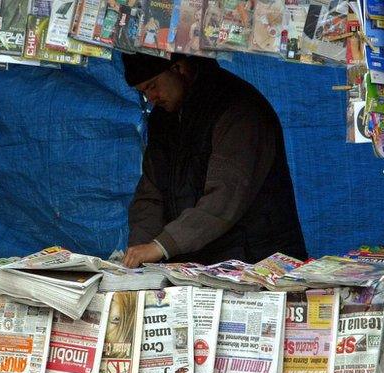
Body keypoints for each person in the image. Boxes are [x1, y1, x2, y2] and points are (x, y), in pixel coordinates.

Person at [119, 53, 307, 267]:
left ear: (179, 69)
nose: (151, 98)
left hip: (256, 259)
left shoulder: (237, 107)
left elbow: (225, 194)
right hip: (200, 263)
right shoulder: (162, 119)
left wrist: (161, 246)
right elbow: (151, 193)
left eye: (153, 86)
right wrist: (139, 252)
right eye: (144, 92)